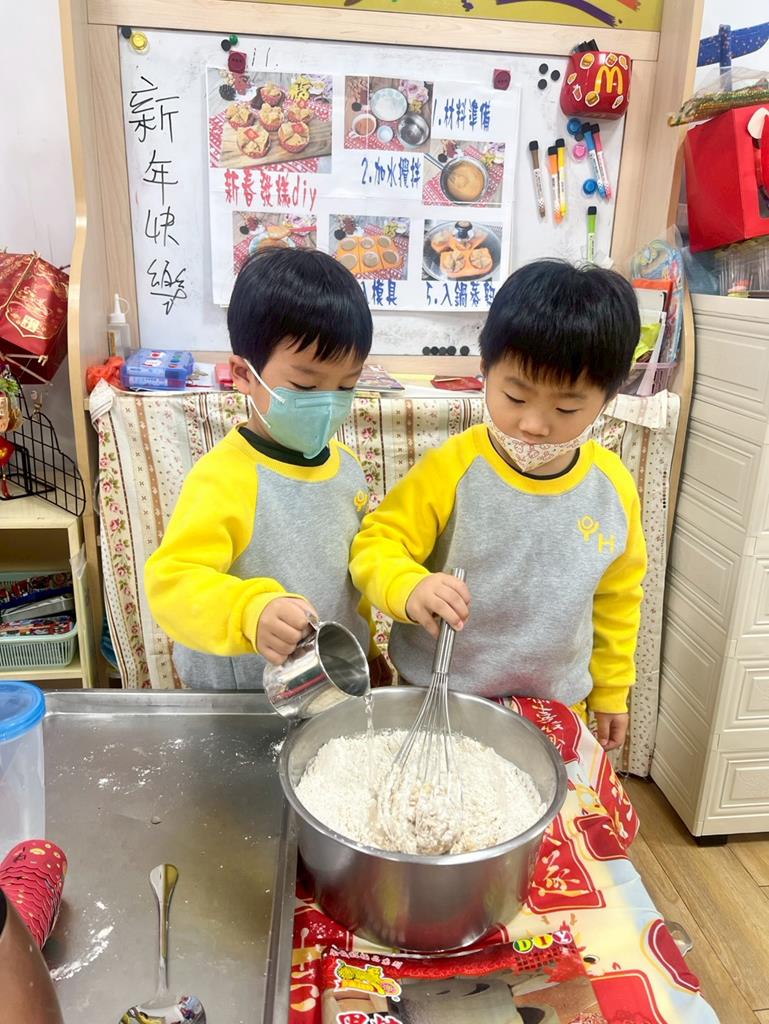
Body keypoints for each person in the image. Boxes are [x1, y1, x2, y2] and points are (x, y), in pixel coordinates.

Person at [350, 260, 646, 751]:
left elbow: (618, 597)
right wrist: (408, 585)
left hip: (552, 703)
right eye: (515, 396)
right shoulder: (452, 468)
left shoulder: (612, 487)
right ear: (485, 370)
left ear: (608, 399)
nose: (534, 425)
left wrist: (612, 690)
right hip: (438, 694)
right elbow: (377, 544)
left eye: (567, 408)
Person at [145, 247, 377, 689]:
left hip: (325, 684)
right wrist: (249, 612)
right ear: (243, 374)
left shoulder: (347, 470)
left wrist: (367, 653)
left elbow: (352, 585)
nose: (328, 403)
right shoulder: (225, 476)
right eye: (305, 386)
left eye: (347, 386)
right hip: (241, 697)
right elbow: (172, 584)